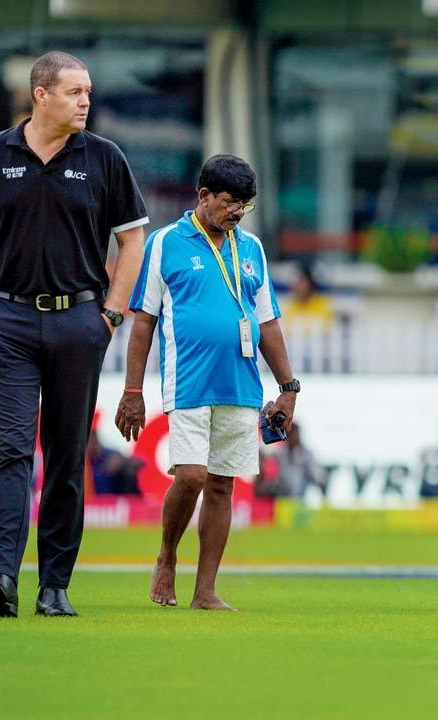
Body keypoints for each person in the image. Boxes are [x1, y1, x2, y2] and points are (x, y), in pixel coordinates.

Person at [0, 51, 149, 618]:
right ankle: (2, 577)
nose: (86, 100)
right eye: (75, 91)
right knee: (11, 448)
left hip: (80, 322)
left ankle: (54, 585)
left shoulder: (105, 158)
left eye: (88, 91)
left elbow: (132, 242)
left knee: (65, 454)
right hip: (5, 322)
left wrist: (110, 315)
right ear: (41, 95)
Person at [114, 155, 299, 611]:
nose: (237, 212)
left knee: (223, 485)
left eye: (245, 205)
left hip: (241, 385)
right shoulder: (165, 243)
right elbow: (143, 324)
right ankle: (166, 557)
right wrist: (133, 391)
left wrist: (288, 388)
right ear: (203, 197)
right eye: (230, 202)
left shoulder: (251, 248)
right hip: (188, 383)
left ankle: (205, 591)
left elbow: (268, 323)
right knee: (193, 475)